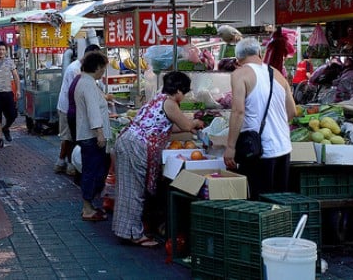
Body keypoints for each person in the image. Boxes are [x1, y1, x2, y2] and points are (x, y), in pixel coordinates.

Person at [112, 71, 205, 247]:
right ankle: (134, 234)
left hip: (129, 142)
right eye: (184, 92)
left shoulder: (159, 98)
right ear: (178, 90)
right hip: (135, 145)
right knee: (133, 191)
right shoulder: (170, 102)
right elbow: (185, 125)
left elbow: (168, 127)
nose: (183, 97)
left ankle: (126, 231)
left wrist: (189, 129)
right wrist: (196, 124)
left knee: (127, 189)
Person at [223, 37, 296, 200]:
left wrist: (230, 147)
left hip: (258, 152)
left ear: (238, 58)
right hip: (283, 149)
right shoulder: (277, 74)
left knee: (258, 204)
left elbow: (238, 112)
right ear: (260, 53)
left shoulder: (240, 74)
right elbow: (292, 111)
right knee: (278, 202)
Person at [74, 51, 112, 222]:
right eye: (103, 68)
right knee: (93, 170)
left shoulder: (86, 82)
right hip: (92, 136)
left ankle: (89, 205)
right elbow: (93, 110)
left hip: (88, 135)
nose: (104, 71)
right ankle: (87, 208)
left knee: (94, 170)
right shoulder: (88, 84)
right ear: (97, 67)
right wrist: (99, 133)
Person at [55, 44, 101, 175]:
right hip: (67, 108)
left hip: (76, 108)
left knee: (72, 136)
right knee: (68, 137)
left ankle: (62, 162)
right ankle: (68, 163)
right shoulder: (74, 69)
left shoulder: (86, 68)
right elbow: (76, 92)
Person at [0, 41, 20, 148]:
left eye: (3, 50)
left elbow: (15, 76)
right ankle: (0, 139)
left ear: (6, 51)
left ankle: (6, 128)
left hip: (8, 93)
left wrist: (18, 90)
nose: (1, 51)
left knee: (12, 115)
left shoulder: (10, 62)